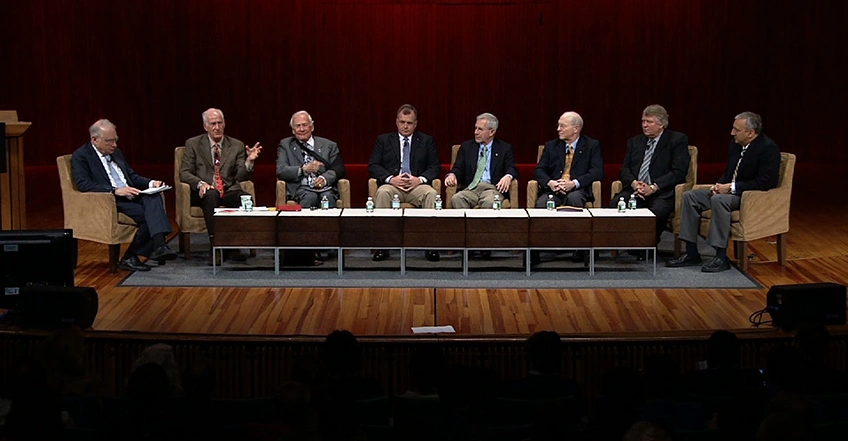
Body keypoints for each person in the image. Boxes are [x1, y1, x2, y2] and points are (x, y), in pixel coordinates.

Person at [667, 111, 780, 272]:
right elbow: (729, 172)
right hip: (730, 190)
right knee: (690, 196)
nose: (732, 133)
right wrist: (719, 185)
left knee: (719, 200)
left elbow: (765, 182)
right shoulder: (735, 144)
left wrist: (731, 188)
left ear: (750, 133)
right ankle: (691, 253)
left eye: (736, 130)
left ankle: (721, 257)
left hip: (748, 195)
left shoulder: (768, 148)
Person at [72, 119, 176, 272]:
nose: (114, 145)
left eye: (115, 140)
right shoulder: (81, 156)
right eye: (109, 141)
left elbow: (131, 177)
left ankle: (157, 247)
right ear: (95, 140)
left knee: (154, 197)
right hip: (111, 200)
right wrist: (114, 190)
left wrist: (151, 183)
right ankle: (142, 252)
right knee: (151, 215)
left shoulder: (116, 153)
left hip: (131, 194)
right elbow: (83, 184)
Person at [180, 108, 262, 265]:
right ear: (205, 126)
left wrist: (249, 161)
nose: (217, 127)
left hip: (228, 190)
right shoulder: (193, 144)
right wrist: (200, 183)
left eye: (220, 123)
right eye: (213, 124)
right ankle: (215, 246)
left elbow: (241, 176)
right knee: (212, 195)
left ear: (224, 124)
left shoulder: (236, 145)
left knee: (245, 198)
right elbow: (184, 172)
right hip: (204, 192)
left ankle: (232, 246)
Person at [610, 105, 689, 251]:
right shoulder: (635, 142)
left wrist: (653, 187)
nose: (644, 125)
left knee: (657, 212)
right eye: (643, 121)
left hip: (662, 192)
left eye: (649, 122)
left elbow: (678, 172)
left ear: (661, 124)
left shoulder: (676, 140)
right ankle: (621, 243)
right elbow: (624, 170)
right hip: (636, 190)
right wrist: (634, 184)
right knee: (614, 205)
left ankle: (647, 246)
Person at [368, 104, 442, 262]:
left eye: (409, 123)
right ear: (396, 122)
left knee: (432, 194)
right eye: (402, 122)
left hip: (417, 186)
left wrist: (419, 180)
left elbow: (435, 167)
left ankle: (430, 246)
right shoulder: (384, 140)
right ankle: (383, 246)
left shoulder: (426, 140)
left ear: (415, 124)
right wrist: (391, 178)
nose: (405, 126)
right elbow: (373, 166)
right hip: (393, 185)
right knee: (382, 193)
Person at [444, 112, 517, 209]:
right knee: (457, 198)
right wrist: (452, 174)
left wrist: (508, 176)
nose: (476, 132)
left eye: (480, 129)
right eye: (476, 128)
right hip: (471, 188)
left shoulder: (504, 148)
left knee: (489, 202)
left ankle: (482, 220)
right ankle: (466, 220)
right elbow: (459, 168)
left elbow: (511, 168)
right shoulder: (467, 147)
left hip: (492, 189)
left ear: (492, 132)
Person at [533, 111, 603, 208]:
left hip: (578, 190)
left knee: (574, 199)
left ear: (576, 129)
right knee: (543, 203)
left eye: (563, 126)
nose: (558, 129)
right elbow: (539, 170)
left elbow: (597, 171)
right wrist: (551, 183)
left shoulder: (591, 146)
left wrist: (574, 183)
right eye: (558, 125)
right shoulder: (551, 146)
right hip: (554, 190)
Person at [276, 110, 345, 208]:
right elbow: (281, 170)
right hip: (300, 188)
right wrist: (303, 170)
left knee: (327, 196)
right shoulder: (285, 145)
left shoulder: (328, 145)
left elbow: (339, 168)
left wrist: (324, 178)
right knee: (310, 197)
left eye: (304, 125)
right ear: (293, 130)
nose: (301, 129)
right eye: (298, 126)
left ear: (312, 127)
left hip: (324, 188)